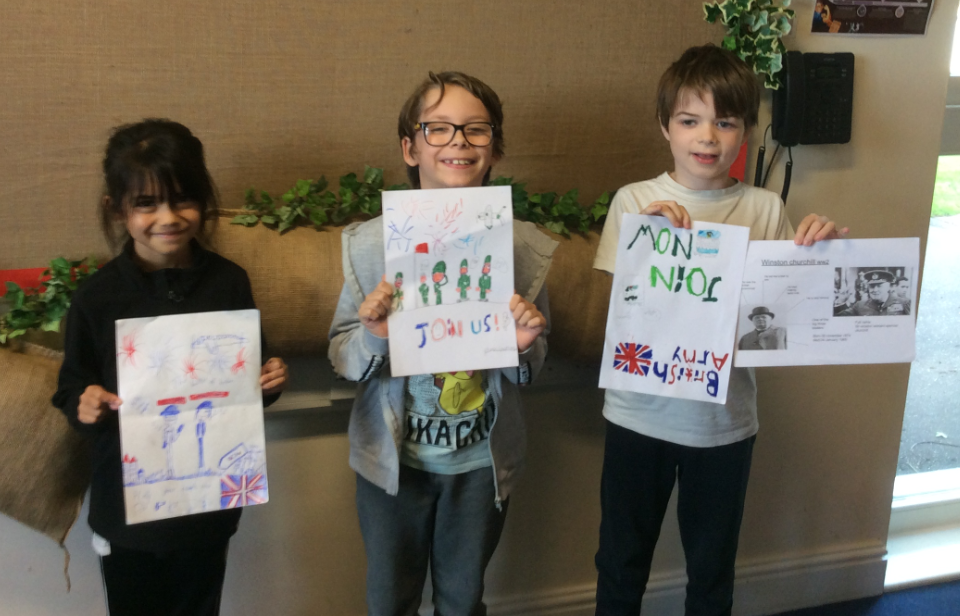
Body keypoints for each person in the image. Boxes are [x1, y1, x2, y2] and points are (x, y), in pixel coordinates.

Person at [591, 45, 847, 616]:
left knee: (711, 571)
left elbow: (781, 320)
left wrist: (818, 258)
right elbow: (615, 313)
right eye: (690, 120)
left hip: (723, 424)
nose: (707, 136)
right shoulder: (634, 201)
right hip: (638, 416)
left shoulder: (764, 208)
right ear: (665, 126)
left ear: (746, 132)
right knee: (620, 562)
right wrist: (644, 248)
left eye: (725, 122)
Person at [328, 71, 557, 616]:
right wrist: (374, 336)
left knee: (462, 598)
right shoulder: (370, 246)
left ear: (494, 148)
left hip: (479, 463)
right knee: (390, 598)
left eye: (476, 129)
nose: (459, 140)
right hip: (393, 466)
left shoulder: (520, 249)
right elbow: (341, 354)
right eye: (438, 128)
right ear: (410, 148)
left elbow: (531, 367)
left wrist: (523, 345)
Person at [52, 119, 288, 616]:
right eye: (146, 203)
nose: (168, 217)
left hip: (207, 508)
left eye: (183, 199)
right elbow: (72, 384)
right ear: (116, 208)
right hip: (127, 511)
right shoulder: (97, 297)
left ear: (204, 200)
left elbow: (249, 378)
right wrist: (84, 403)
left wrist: (268, 382)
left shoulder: (228, 283)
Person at [838, 268, 910, 316]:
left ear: (889, 287)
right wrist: (842, 301)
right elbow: (837, 318)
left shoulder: (904, 303)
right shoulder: (860, 305)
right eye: (872, 286)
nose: (875, 290)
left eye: (879, 286)